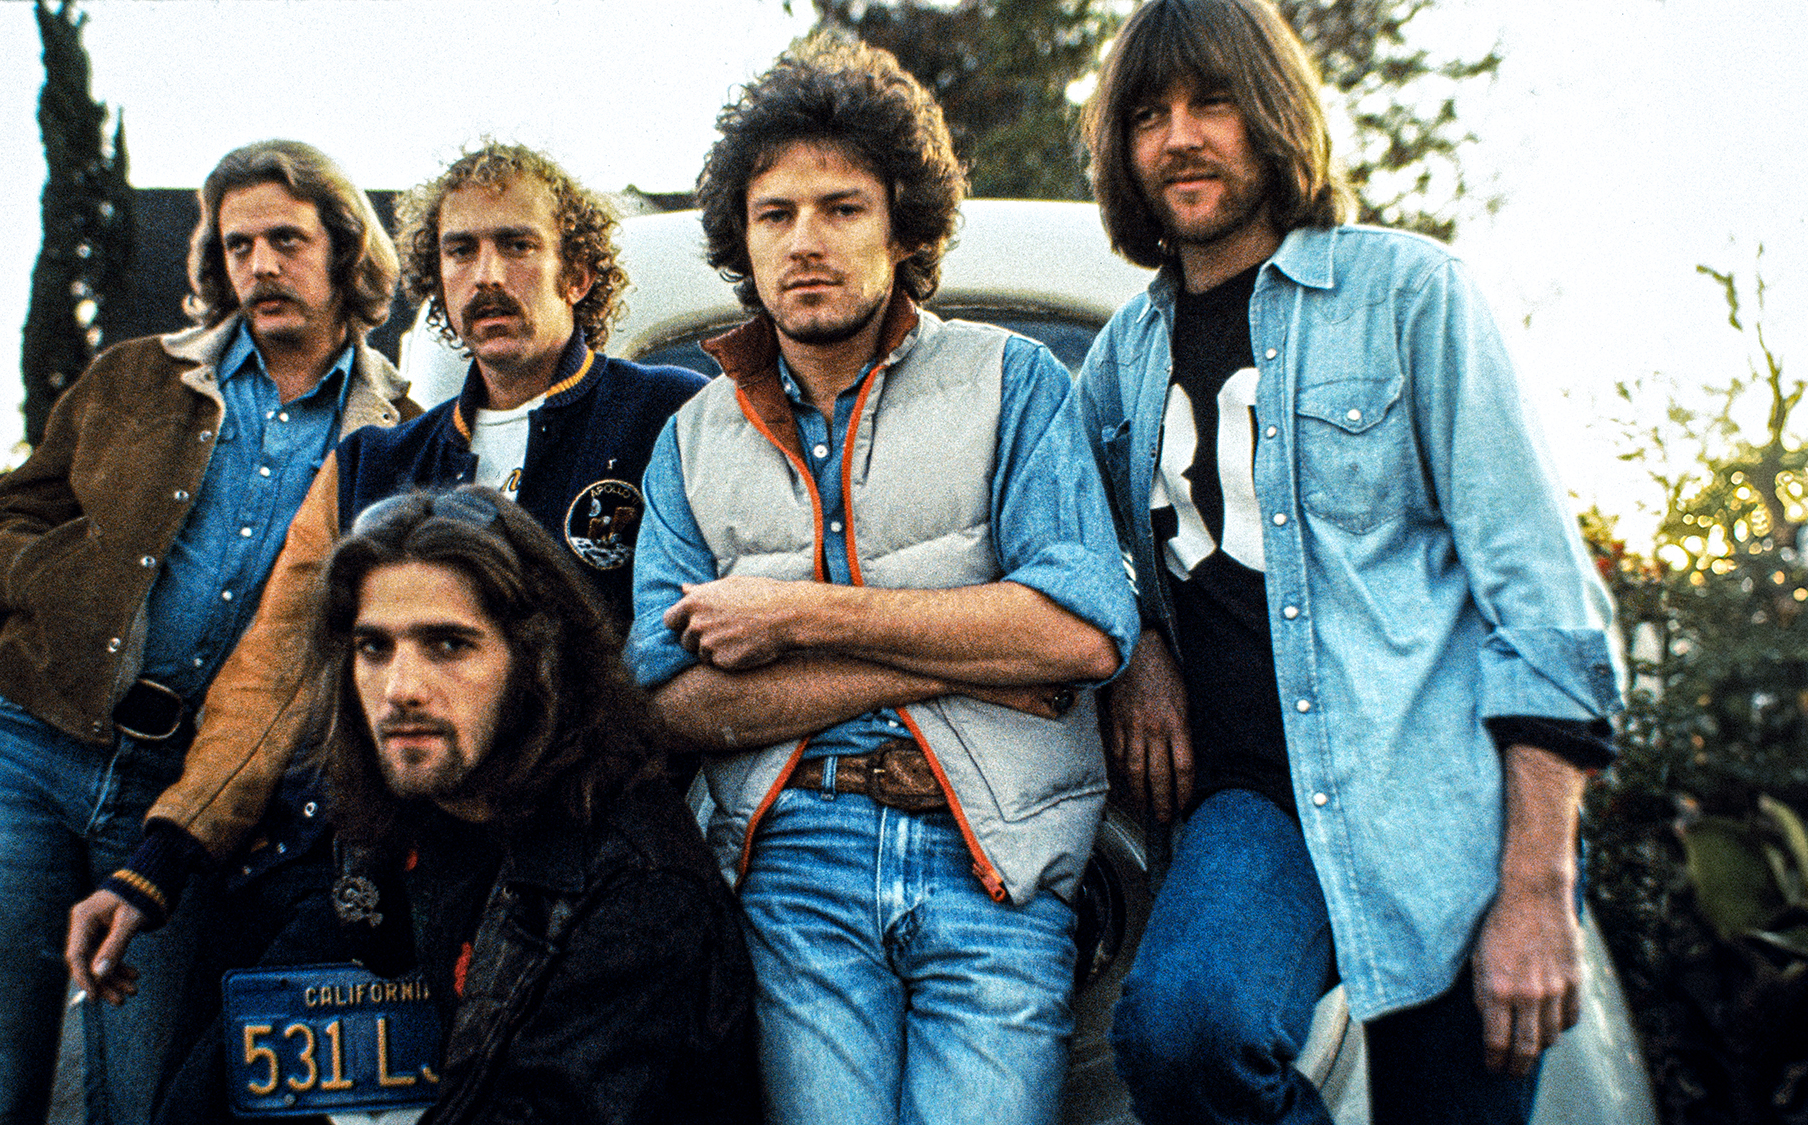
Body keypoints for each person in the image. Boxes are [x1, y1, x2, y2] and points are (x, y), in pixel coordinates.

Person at [63, 142, 706, 1112]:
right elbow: (272, 674)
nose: (486, 276)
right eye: (459, 250)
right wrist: (157, 863)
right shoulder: (375, 460)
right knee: (198, 1102)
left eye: (516, 245)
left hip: (589, 884)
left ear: (578, 270)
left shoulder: (672, 418)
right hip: (393, 869)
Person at [1075, 2, 1625, 1121]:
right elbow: (1066, 544)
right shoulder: (1121, 357)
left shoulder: (1410, 296)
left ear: (1272, 112)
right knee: (1183, 1033)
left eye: (1212, 102)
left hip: (1442, 818)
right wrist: (1136, 645)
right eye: (1147, 115)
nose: (1179, 137)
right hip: (1253, 811)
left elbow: (1544, 602)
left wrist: (1535, 889)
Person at [626, 35, 1139, 1125]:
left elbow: (1081, 632)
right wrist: (967, 657)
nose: (805, 241)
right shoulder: (689, 440)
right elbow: (667, 701)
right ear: (742, 239)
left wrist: (797, 615)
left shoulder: (1011, 380)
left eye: (842, 208)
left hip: (997, 853)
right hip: (791, 861)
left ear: (903, 227)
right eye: (774, 214)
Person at [0, 139, 416, 1125]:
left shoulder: (395, 431)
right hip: (24, 746)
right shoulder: (136, 376)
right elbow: (3, 525)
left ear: (343, 251)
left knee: (139, 1099)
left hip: (181, 787)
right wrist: (59, 585)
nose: (260, 265)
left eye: (286, 240)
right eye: (239, 245)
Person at [308, 487, 758, 1123]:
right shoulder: (415, 815)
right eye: (374, 648)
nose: (400, 689)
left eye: (448, 645)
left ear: (537, 661)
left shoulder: (634, 894)